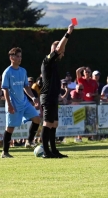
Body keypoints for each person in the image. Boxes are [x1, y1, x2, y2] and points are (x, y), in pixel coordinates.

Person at [40, 24, 74, 158]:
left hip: (53, 96)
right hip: (47, 96)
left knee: (54, 124)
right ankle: (46, 152)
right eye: (61, 51)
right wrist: (68, 32)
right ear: (55, 50)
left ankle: (54, 151)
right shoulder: (47, 60)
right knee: (47, 123)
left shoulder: (54, 64)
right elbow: (59, 47)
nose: (63, 53)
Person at [1, 47, 41, 158]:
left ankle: (29, 141)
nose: (20, 58)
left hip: (24, 103)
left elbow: (26, 87)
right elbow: (5, 89)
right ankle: (5, 152)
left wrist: (33, 98)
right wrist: (9, 104)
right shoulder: (7, 72)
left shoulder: (23, 71)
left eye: (20, 56)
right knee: (10, 128)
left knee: (37, 119)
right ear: (11, 57)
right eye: (17, 56)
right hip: (13, 104)